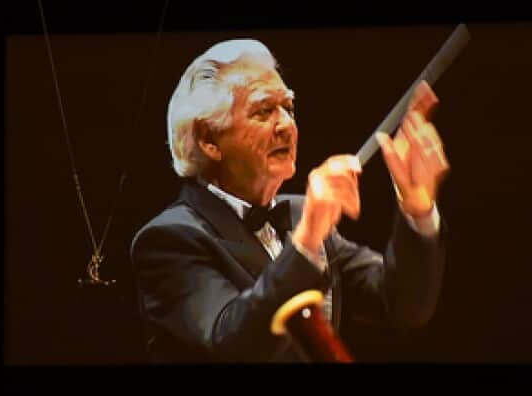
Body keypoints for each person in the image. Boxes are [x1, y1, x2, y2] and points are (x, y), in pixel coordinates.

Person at [131, 38, 448, 363]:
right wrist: (307, 241)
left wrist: (418, 209)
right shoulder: (169, 239)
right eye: (264, 111)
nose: (286, 125)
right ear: (210, 140)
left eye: (289, 108)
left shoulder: (299, 213)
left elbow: (402, 306)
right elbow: (232, 342)